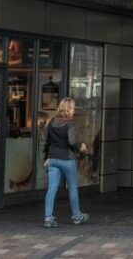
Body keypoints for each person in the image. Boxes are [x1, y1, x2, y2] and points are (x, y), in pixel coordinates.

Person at [43, 97, 90, 227]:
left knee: (51, 188)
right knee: (72, 188)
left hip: (53, 159)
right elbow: (72, 142)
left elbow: (47, 143)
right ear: (69, 109)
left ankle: (48, 217)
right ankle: (76, 216)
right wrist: (82, 147)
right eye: (73, 108)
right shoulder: (70, 124)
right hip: (67, 160)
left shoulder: (51, 122)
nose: (74, 110)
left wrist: (46, 158)